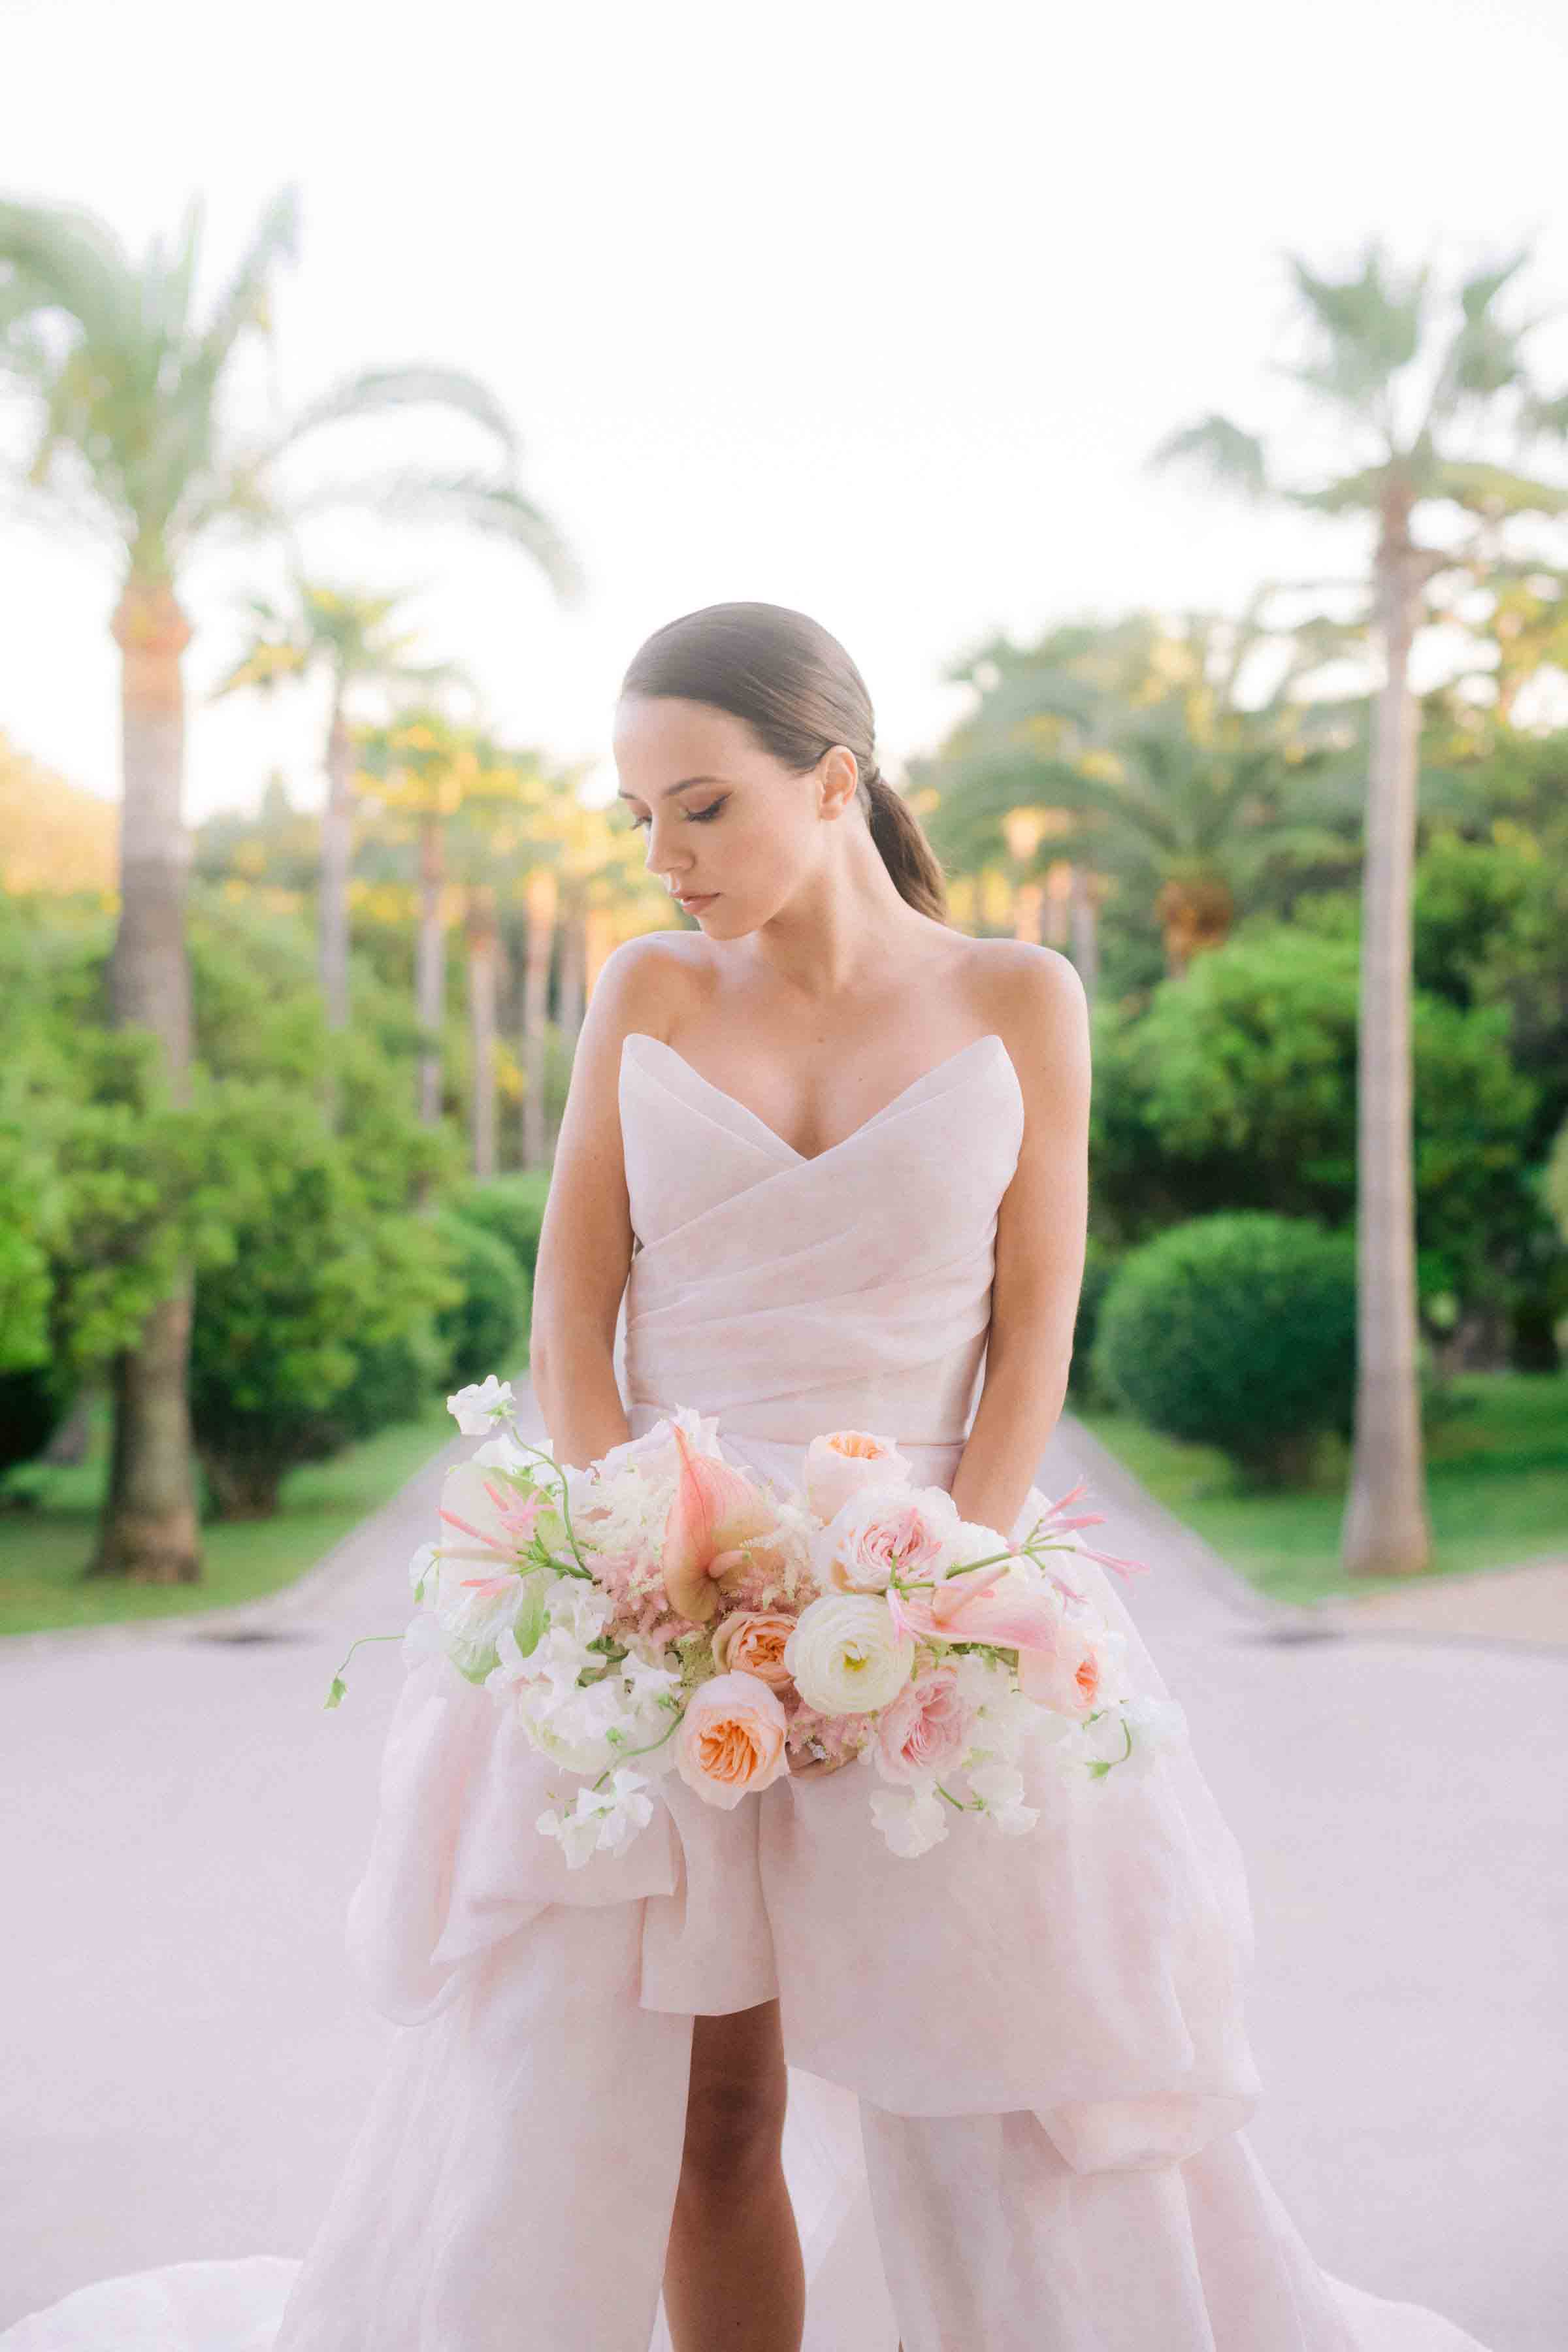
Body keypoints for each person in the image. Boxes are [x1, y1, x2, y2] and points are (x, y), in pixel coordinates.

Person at [3, 602, 1494, 2352]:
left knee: (987, 2105)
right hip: (664, 1613)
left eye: (701, 805)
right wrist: (640, 1564)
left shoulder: (1025, 997)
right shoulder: (645, 990)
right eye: (639, 815)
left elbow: (1031, 1337)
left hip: (932, 1612)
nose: (666, 855)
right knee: (710, 2114)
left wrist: (940, 1584)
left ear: (835, 778)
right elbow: (574, 1319)